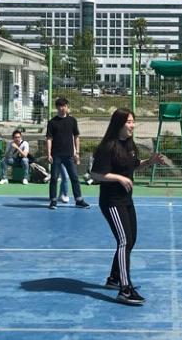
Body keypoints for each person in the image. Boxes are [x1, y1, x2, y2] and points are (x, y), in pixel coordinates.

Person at [89, 108, 163, 306]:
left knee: (130, 240)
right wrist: (119, 178)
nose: (132, 125)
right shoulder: (108, 147)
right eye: (129, 122)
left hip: (126, 200)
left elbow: (134, 164)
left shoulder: (129, 145)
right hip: (111, 201)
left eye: (133, 121)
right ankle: (125, 289)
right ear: (119, 124)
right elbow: (95, 174)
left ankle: (114, 278)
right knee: (124, 241)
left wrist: (150, 162)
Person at [46, 98, 89, 210]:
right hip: (56, 155)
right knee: (54, 178)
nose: (62, 108)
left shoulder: (72, 120)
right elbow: (49, 139)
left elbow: (76, 136)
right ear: (56, 108)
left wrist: (77, 152)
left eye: (64, 106)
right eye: (60, 106)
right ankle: (53, 201)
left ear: (67, 107)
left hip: (69, 155)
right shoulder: (52, 122)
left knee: (74, 177)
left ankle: (79, 200)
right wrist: (49, 154)